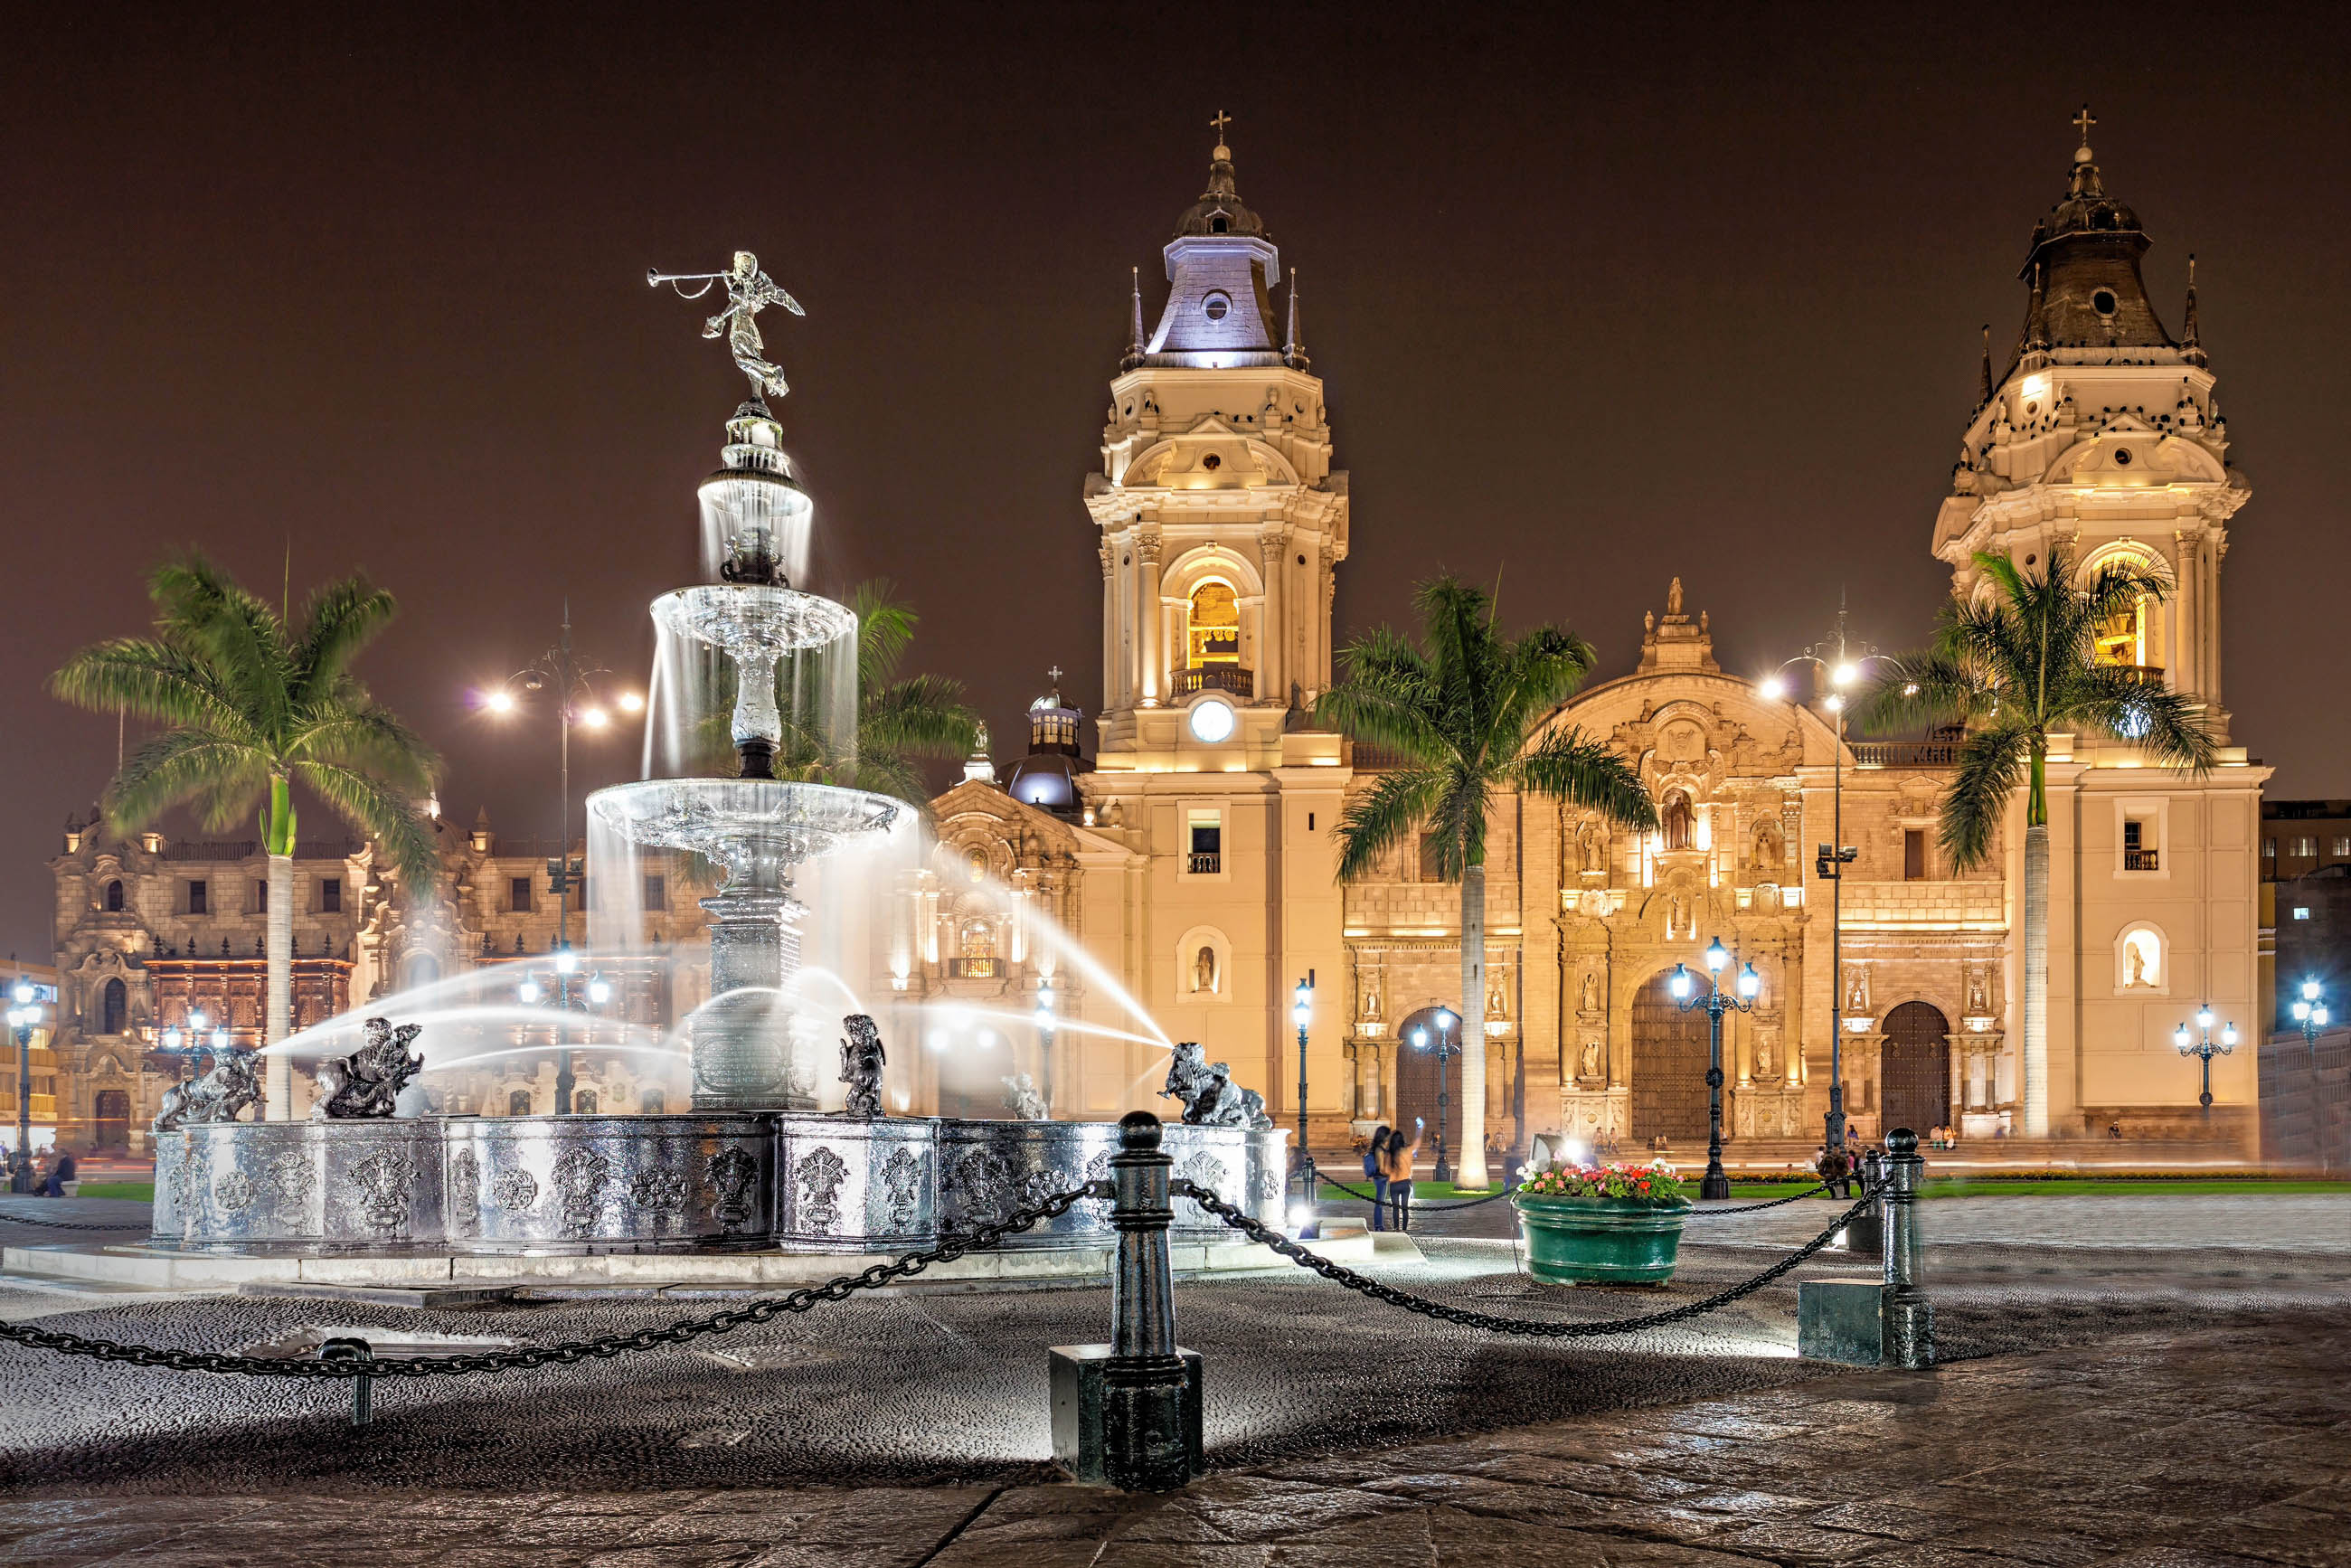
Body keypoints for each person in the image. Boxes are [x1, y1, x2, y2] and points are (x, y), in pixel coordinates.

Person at [1383, 1117, 1424, 1233]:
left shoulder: (1389, 1155)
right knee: (1405, 1208)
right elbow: (1417, 1143)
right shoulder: (1407, 1151)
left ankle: (1397, 1228)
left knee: (1395, 1208)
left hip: (1394, 1184)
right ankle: (1405, 1229)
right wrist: (1420, 1128)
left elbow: (1385, 1170)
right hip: (1406, 1183)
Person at [1363, 1126, 1393, 1231]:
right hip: (1381, 1179)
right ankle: (1378, 1226)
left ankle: (1379, 1225)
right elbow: (1381, 1168)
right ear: (1384, 1136)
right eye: (1388, 1134)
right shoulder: (1379, 1150)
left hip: (1382, 1178)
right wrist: (1391, 1173)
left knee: (1380, 1202)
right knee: (1379, 1203)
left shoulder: (1382, 1148)